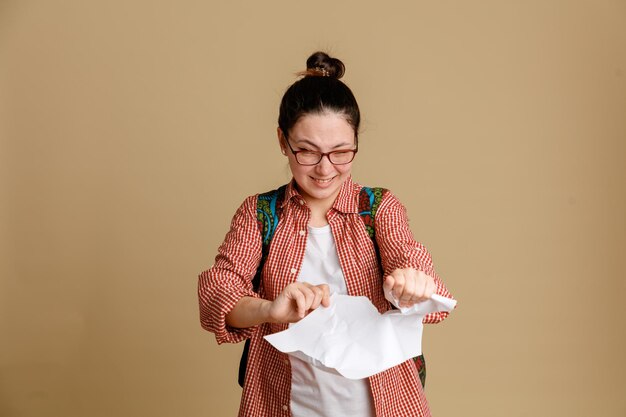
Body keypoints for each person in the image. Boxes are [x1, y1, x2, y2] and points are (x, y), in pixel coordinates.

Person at [198, 51, 454, 417]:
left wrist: (411, 282)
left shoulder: (378, 207)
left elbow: (408, 256)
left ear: (355, 145)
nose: (324, 169)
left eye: (340, 152)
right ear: (282, 142)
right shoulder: (260, 214)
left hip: (382, 405)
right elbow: (218, 294)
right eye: (306, 151)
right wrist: (271, 309)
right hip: (283, 404)